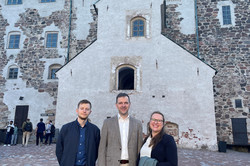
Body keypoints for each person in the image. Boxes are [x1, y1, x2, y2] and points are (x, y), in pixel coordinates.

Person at [98, 93, 143, 166]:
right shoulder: (107, 123)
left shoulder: (137, 124)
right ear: (116, 105)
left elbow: (139, 149)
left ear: (129, 104)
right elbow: (102, 148)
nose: (123, 105)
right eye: (120, 103)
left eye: (126, 103)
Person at [56, 99, 100, 166]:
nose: (84, 111)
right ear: (77, 110)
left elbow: (96, 151)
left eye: (87, 109)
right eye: (82, 108)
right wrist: (64, 163)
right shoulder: (66, 128)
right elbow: (59, 149)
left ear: (90, 112)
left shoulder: (95, 130)